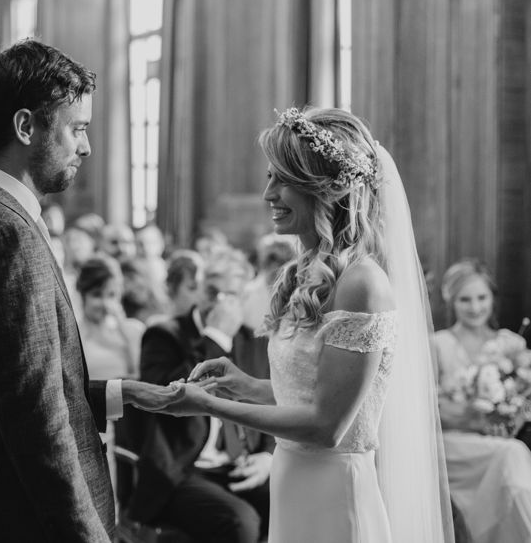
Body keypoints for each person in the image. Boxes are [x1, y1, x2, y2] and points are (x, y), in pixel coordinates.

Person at [142, 107, 454, 542]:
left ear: (326, 190)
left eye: (282, 179)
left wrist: (210, 405)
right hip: (294, 481)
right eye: (270, 177)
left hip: (333, 490)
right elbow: (311, 393)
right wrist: (243, 385)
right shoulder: (308, 272)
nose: (268, 193)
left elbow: (328, 427)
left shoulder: (362, 283)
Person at [0, 39, 177, 543]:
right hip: (21, 521)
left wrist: (125, 394)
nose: (86, 146)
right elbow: (35, 427)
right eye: (77, 128)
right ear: (26, 127)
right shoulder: (5, 236)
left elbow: (13, 395)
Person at [130, 247, 271, 543]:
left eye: (229, 294)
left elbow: (269, 401)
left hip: (240, 462)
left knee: (287, 498)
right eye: (211, 291)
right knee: (240, 523)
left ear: (244, 298)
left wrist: (267, 456)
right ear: (199, 289)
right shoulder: (165, 335)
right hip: (184, 469)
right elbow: (162, 397)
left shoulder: (256, 342)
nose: (217, 302)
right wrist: (216, 338)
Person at [433, 258, 531, 543]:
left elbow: (525, 400)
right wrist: (476, 418)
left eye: (481, 298)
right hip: (452, 446)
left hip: (497, 441)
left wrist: (512, 415)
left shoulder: (511, 343)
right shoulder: (438, 344)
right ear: (451, 301)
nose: (475, 308)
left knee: (509, 453)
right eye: (465, 300)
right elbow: (431, 410)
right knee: (511, 454)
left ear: (492, 298)